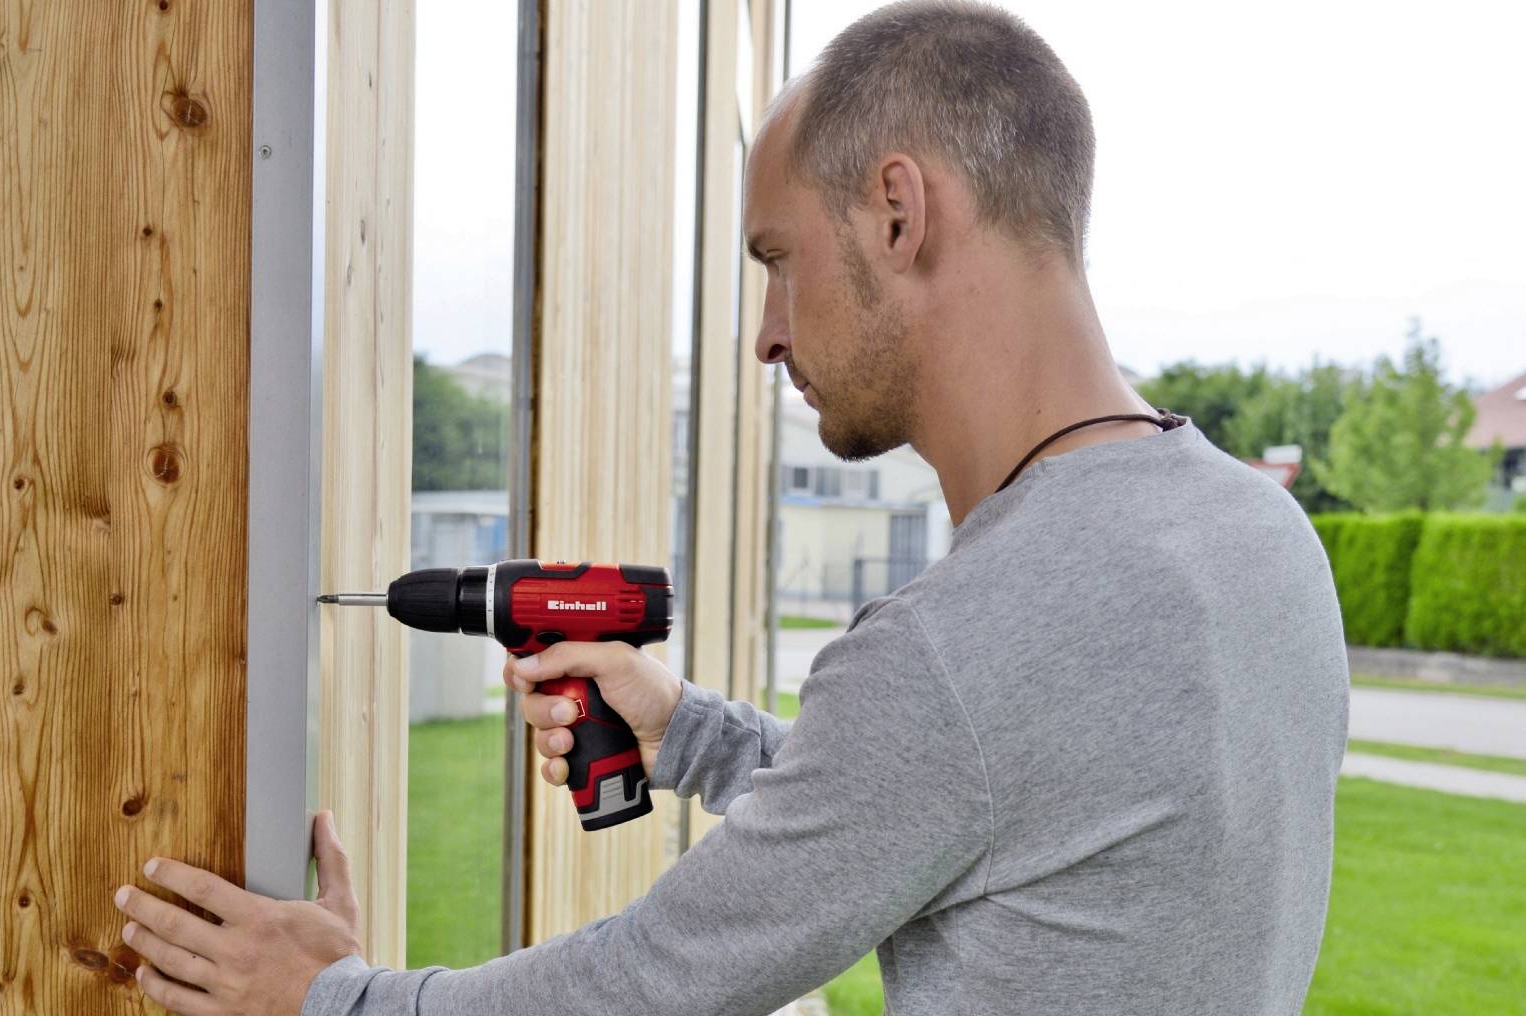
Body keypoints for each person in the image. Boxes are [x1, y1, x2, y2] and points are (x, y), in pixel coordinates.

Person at [110, 2, 1350, 1013]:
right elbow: (987, 800)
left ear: (899, 212)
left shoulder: (953, 646)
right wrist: (693, 733)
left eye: (774, 259)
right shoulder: (1254, 536)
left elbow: (650, 981)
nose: (763, 333)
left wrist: (333, 994)